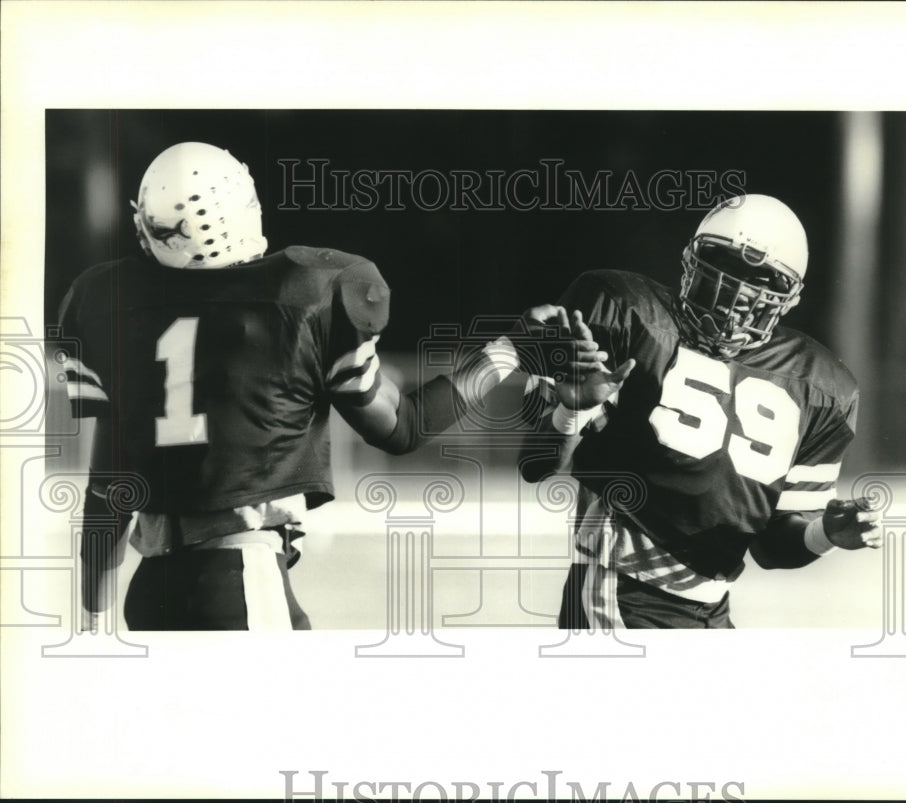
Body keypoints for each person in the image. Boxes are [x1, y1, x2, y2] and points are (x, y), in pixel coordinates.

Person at [58, 141, 602, 631]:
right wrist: (509, 350)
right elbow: (403, 428)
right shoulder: (306, 296)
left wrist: (90, 624)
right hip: (240, 577)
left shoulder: (103, 300)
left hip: (149, 591)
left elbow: (108, 491)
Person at [519, 194, 883, 629]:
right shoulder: (627, 312)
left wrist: (825, 535)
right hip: (618, 590)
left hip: (711, 610)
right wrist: (571, 411)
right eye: (725, 267)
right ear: (692, 260)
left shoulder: (821, 385)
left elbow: (773, 547)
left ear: (790, 298)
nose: (739, 291)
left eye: (761, 279)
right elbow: (536, 462)